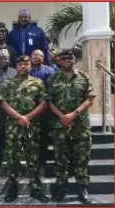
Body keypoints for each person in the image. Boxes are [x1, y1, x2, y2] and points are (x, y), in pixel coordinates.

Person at [0, 55, 49, 203]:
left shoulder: (38, 83)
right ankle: (12, 186)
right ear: (16, 66)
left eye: (26, 64)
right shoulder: (8, 83)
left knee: (33, 157)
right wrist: (18, 117)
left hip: (31, 126)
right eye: (20, 64)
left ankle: (35, 188)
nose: (23, 66)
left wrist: (27, 117)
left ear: (30, 66)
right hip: (13, 126)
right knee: (12, 157)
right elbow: (3, 103)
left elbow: (44, 103)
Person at [47, 49, 96, 204]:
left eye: (71, 57)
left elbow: (89, 99)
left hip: (80, 124)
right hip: (60, 124)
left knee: (82, 157)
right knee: (61, 157)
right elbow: (48, 101)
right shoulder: (53, 78)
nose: (68, 60)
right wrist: (62, 116)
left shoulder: (83, 76)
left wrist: (73, 114)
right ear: (58, 61)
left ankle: (82, 188)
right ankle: (62, 186)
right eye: (65, 58)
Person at [29, 49, 56, 172]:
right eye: (33, 55)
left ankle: (42, 160)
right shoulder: (26, 70)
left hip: (44, 109)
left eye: (38, 55)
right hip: (28, 109)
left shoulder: (50, 71)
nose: (35, 57)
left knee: (43, 137)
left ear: (43, 58)